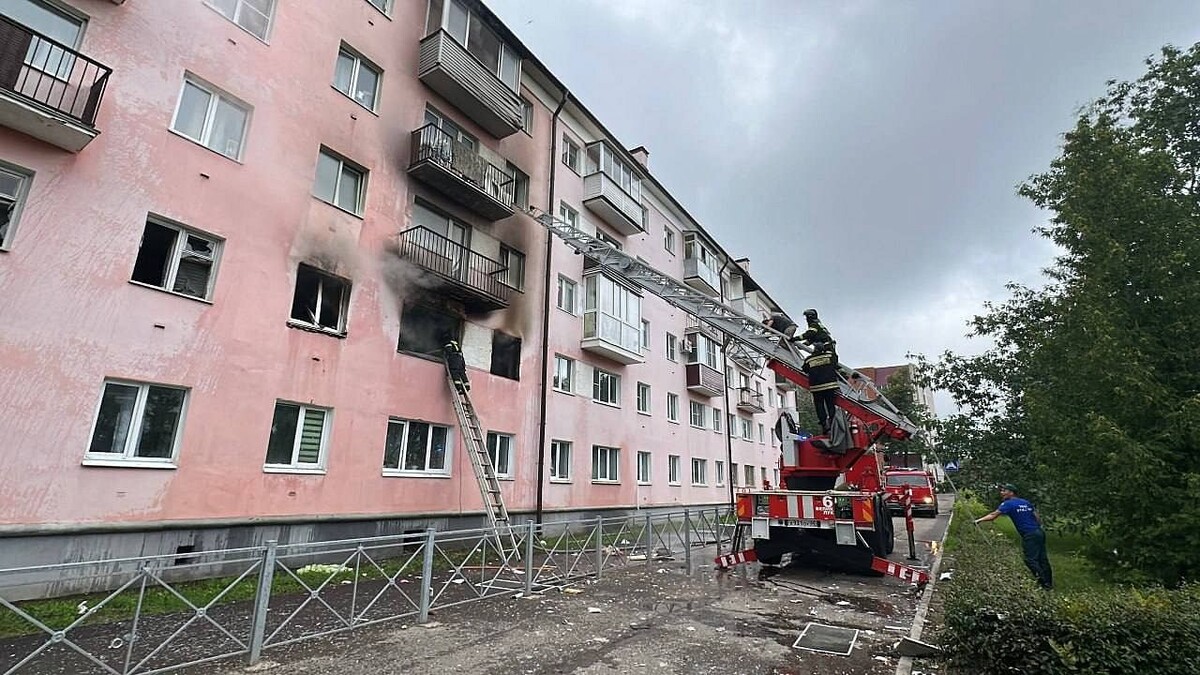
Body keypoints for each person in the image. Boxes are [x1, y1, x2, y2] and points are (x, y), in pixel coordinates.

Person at [974, 484, 1054, 590]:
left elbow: (993, 515)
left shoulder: (1008, 504)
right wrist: (1037, 527)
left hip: (1029, 534)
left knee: (1030, 560)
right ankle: (1049, 582)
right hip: (1039, 532)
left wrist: (978, 520)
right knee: (1042, 558)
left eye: (1004, 491)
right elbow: (1037, 517)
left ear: (1011, 493)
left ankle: (1043, 583)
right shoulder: (1025, 502)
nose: (1001, 493)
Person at [800, 341, 839, 437]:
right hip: (830, 385)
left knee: (819, 406)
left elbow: (804, 369)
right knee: (830, 405)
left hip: (817, 387)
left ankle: (824, 424)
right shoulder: (829, 356)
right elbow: (835, 361)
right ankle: (832, 423)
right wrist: (832, 348)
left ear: (815, 349)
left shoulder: (809, 359)